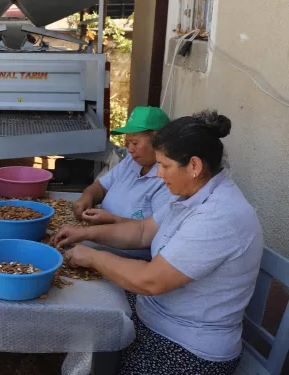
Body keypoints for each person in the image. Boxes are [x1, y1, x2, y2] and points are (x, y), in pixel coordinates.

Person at [53, 110, 264, 375]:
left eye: (165, 166)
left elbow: (150, 281)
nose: (159, 175)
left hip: (186, 348)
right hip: (156, 316)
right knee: (86, 317)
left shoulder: (219, 216)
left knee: (96, 341)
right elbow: (142, 231)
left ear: (195, 166)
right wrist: (84, 234)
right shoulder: (189, 194)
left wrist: (93, 257)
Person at [71, 106, 175, 259]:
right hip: (99, 243)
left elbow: (150, 233)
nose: (130, 149)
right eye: (127, 143)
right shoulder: (131, 161)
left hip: (127, 258)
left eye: (135, 143)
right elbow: (101, 186)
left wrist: (112, 221)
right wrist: (87, 198)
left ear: (158, 142)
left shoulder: (167, 181)